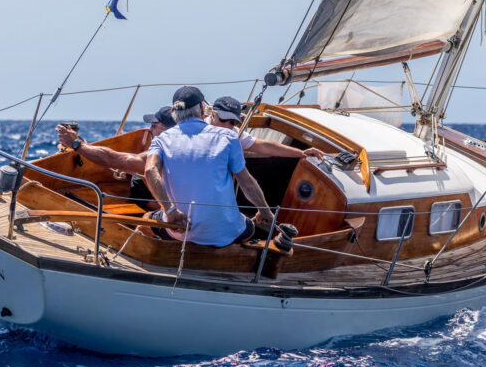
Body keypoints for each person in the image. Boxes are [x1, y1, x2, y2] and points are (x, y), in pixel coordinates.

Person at [56, 86, 273, 247]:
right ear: (202, 109)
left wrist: (170, 211)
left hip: (181, 230)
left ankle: (152, 255)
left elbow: (148, 170)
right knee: (249, 227)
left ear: (173, 112)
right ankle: (233, 255)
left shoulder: (162, 140)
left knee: (146, 222)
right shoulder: (228, 137)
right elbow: (247, 183)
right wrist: (265, 211)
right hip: (225, 232)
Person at [207, 96, 327, 160]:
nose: (227, 126)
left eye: (233, 122)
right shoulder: (196, 129)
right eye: (223, 119)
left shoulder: (234, 134)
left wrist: (301, 153)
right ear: (212, 114)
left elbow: (264, 146)